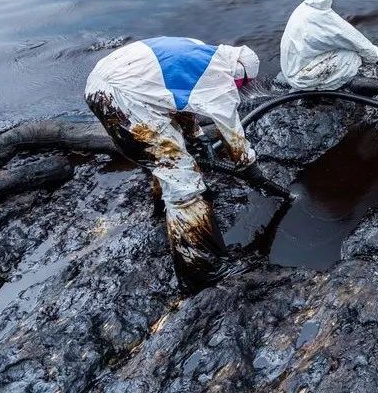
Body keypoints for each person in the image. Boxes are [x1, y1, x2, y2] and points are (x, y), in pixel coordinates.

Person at [85, 36, 260, 293]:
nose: (239, 87)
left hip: (100, 82)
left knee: (164, 156)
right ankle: (201, 270)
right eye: (242, 83)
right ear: (238, 73)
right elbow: (231, 130)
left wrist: (195, 138)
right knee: (183, 180)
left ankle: (161, 208)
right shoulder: (221, 76)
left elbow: (176, 96)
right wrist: (248, 166)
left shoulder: (199, 48)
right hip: (124, 96)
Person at [280, 0, 378, 90]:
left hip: (288, 70)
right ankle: (336, 87)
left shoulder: (302, 9)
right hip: (301, 80)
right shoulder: (325, 17)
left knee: (340, 47)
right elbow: (357, 42)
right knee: (352, 55)